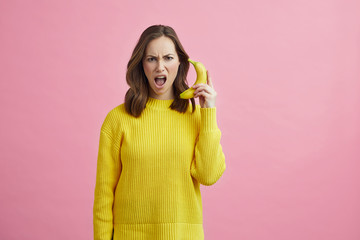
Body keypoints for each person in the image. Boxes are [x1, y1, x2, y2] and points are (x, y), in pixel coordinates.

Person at [93, 24, 226, 240]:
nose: (160, 67)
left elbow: (208, 175)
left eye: (168, 58)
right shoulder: (117, 120)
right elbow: (104, 197)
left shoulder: (197, 116)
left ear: (180, 63)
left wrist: (208, 112)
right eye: (152, 59)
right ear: (141, 65)